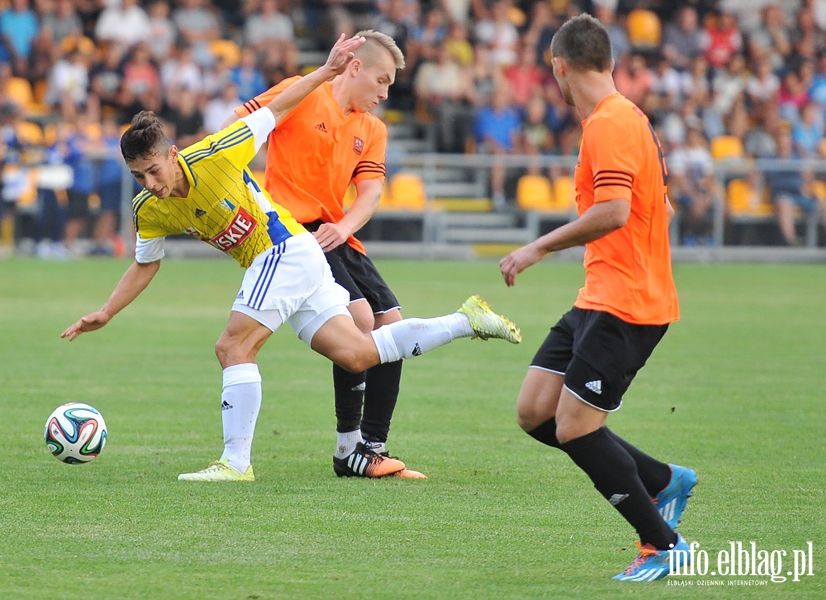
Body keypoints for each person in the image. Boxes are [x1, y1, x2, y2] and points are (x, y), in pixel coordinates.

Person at [61, 35, 522, 484]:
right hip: (300, 260)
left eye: (154, 170)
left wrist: (326, 71)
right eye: (139, 176)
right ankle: (466, 320)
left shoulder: (218, 154)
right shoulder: (149, 209)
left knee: (232, 348)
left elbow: (276, 108)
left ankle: (235, 463)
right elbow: (145, 264)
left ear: (173, 154)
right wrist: (106, 311)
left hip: (282, 249)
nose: (150, 182)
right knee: (359, 353)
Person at [499, 14, 696, 582]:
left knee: (576, 427)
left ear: (559, 66)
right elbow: (656, 205)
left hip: (627, 303)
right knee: (536, 411)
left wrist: (536, 248)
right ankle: (662, 480)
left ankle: (663, 546)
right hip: (599, 295)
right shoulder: (627, 119)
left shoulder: (609, 124)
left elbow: (613, 212)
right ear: (607, 61)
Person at [224, 30, 430, 479]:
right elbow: (237, 127)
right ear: (354, 67)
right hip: (295, 233)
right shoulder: (303, 93)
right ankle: (348, 447)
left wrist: (345, 226)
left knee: (391, 325)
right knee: (359, 323)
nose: (385, 92)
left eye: (390, 84)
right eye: (381, 80)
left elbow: (371, 193)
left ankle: (370, 448)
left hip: (338, 234)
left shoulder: (372, 129)